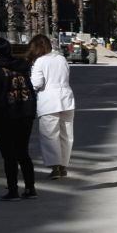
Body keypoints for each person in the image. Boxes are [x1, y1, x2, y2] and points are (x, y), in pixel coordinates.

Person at [0, 38, 38, 200]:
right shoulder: (22, 66)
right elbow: (30, 90)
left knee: (9, 155)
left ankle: (13, 190)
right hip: (25, 113)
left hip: (4, 116)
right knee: (23, 152)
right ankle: (30, 188)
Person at [27, 33, 76, 178]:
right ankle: (63, 165)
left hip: (49, 101)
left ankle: (55, 167)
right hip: (66, 99)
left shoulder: (39, 62)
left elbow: (37, 83)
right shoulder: (61, 58)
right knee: (66, 134)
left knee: (50, 135)